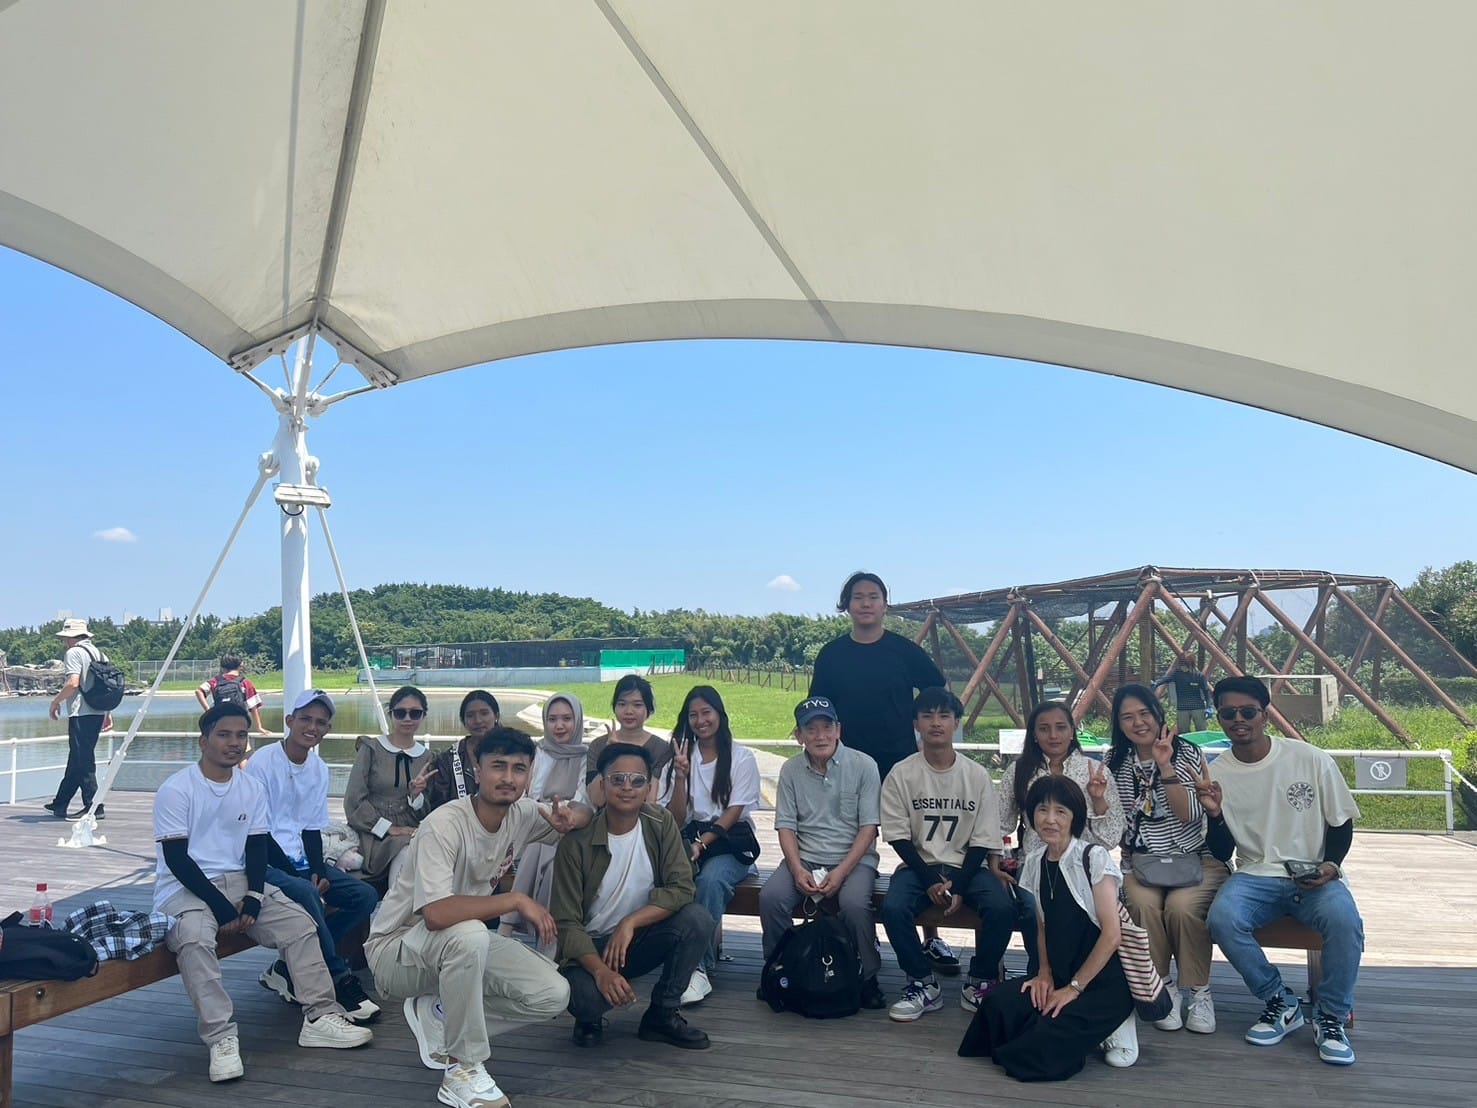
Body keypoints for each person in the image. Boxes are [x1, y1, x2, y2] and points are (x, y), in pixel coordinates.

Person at [365, 727, 590, 1108]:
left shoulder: (522, 814)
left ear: (530, 774)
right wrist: (515, 899)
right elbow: (437, 913)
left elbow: (584, 812)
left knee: (552, 993)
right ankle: (462, 1069)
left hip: (459, 946)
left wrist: (574, 816)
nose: (508, 777)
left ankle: (439, 1014)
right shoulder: (444, 824)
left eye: (519, 768)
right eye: (498, 766)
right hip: (397, 950)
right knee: (469, 934)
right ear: (478, 768)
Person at [154, 703, 372, 1083]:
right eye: (224, 735)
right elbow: (177, 859)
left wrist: (254, 895)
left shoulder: (250, 788)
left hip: (239, 878)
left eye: (241, 735)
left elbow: (256, 847)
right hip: (185, 888)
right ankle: (221, 1038)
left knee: (300, 924)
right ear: (203, 741)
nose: (234, 743)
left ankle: (320, 1016)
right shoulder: (176, 789)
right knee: (193, 940)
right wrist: (223, 908)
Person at [1200, 675, 1363, 1066]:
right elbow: (1222, 851)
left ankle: (1331, 1016)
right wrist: (1216, 815)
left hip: (1315, 875)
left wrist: (1331, 866)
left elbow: (1340, 822)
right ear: (1219, 718)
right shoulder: (1218, 773)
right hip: (1255, 874)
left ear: (1265, 714)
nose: (1238, 720)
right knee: (1222, 919)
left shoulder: (1310, 759)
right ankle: (1279, 1000)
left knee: (1345, 922)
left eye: (1248, 711)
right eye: (1228, 713)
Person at [809, 571, 956, 972]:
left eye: (873, 596)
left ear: (885, 604)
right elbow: (818, 707)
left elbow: (936, 690)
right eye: (858, 597)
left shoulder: (903, 651)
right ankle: (851, 933)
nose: (866, 603)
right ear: (846, 605)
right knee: (846, 842)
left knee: (919, 845)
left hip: (899, 761)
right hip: (846, 764)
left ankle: (932, 936)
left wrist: (927, 730)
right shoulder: (832, 654)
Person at [958, 776, 1135, 1081]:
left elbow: (1112, 935)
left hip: (1104, 983)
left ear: (1075, 817)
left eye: (1060, 811)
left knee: (1045, 1040)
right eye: (1042, 810)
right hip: (1063, 973)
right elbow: (1041, 927)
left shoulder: (1093, 858)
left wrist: (1074, 988)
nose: (1050, 819)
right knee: (1001, 1004)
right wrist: (1044, 974)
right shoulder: (1035, 861)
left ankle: (1119, 1025)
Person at [553, 743, 715, 1050]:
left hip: (637, 939)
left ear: (648, 788)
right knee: (587, 1001)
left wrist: (630, 923)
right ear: (602, 785)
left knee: (697, 919)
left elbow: (682, 888)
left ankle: (662, 1014)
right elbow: (566, 923)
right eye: (617, 779)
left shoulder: (660, 823)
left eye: (637, 780)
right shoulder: (575, 842)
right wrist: (601, 971)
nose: (627, 787)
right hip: (591, 947)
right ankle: (589, 1018)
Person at [245, 688, 382, 1022]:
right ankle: (339, 977)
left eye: (321, 722)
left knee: (364, 896)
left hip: (301, 859)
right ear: (289, 721)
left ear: (328, 729)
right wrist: (302, 878)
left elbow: (310, 829)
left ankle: (289, 966)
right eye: (305, 718)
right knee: (307, 893)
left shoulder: (318, 768)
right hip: (263, 859)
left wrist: (318, 870)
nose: (312, 727)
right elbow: (257, 832)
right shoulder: (263, 762)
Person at [880, 688, 1014, 1021]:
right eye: (927, 716)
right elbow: (898, 836)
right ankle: (922, 983)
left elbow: (982, 838)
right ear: (916, 724)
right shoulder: (901, 773)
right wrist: (930, 880)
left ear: (956, 722)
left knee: (1002, 907)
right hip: (918, 866)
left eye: (944, 715)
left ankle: (980, 981)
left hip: (968, 866)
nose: (936, 723)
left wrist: (960, 884)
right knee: (894, 907)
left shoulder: (976, 775)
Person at [1105, 684, 1229, 1035]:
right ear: (1119, 724)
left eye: (1144, 713)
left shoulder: (1186, 752)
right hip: (1143, 861)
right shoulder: (1115, 761)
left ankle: (1200, 991)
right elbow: (1115, 823)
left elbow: (1190, 815)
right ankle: (1163, 988)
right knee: (1141, 906)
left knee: (1182, 908)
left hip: (1196, 858)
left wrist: (1165, 765)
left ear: (1158, 713)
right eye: (1127, 717)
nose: (1138, 723)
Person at [760, 695, 885, 1010]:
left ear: (838, 729)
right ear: (798, 735)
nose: (820, 736)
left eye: (827, 727)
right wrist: (796, 868)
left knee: (854, 904)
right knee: (771, 897)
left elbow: (869, 828)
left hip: (854, 860)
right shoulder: (790, 770)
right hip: (805, 857)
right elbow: (785, 826)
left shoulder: (864, 765)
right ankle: (779, 969)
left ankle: (867, 976)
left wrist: (841, 872)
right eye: (810, 729)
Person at [661, 685, 761, 1003]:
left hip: (730, 844)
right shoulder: (681, 758)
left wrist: (703, 844)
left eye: (707, 712)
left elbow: (734, 812)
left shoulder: (741, 757)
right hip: (691, 838)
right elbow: (676, 818)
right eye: (693, 715)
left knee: (709, 881)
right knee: (671, 879)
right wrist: (680, 777)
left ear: (720, 714)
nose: (701, 720)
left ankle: (698, 968)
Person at [507, 693, 591, 947]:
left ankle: (509, 925)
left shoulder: (586, 756)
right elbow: (527, 793)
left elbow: (582, 801)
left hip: (570, 825)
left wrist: (559, 811)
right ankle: (544, 937)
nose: (559, 726)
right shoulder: (537, 752)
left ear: (577, 720)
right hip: (535, 820)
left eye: (567, 719)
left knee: (544, 853)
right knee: (537, 844)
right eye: (552, 719)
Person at [344, 685, 434, 886]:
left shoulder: (427, 758)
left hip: (409, 827)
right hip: (371, 830)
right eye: (400, 713)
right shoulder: (371, 749)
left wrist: (415, 796)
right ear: (391, 714)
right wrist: (390, 828)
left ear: (423, 716)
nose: (407, 718)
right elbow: (353, 800)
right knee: (407, 849)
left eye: (415, 713)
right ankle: (395, 904)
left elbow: (426, 812)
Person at [44, 617, 111, 820]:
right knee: (78, 757)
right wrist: (107, 713)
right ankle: (60, 803)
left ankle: (94, 806)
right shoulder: (100, 654)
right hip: (97, 712)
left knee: (83, 759)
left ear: (70, 638)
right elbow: (104, 687)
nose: (64, 641)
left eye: (65, 638)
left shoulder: (73, 653)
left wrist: (55, 701)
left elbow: (73, 683)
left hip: (81, 712)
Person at [585, 675, 672, 807]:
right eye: (622, 704)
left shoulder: (661, 748)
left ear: (648, 709)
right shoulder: (598, 745)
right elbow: (596, 799)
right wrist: (610, 754)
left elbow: (651, 800)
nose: (629, 711)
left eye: (637, 705)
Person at [424, 690, 501, 812]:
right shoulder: (447, 760)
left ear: (496, 716)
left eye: (484, 713)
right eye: (470, 715)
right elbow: (439, 806)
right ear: (463, 721)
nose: (478, 720)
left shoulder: (513, 753)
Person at [195, 653, 270, 737]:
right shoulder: (245, 682)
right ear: (241, 665)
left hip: (219, 724)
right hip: (239, 724)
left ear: (222, 667)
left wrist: (208, 710)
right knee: (241, 742)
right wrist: (259, 727)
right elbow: (253, 708)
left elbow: (199, 691)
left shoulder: (215, 681)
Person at [1152, 656, 1215, 734]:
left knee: (1202, 731)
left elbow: (1206, 692)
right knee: (1183, 733)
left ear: (1191, 665)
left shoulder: (1198, 676)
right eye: (1181, 665)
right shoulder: (1177, 674)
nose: (1182, 667)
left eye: (1184, 665)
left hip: (1198, 707)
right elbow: (1166, 679)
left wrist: (1209, 706)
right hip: (1182, 708)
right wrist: (1157, 683)